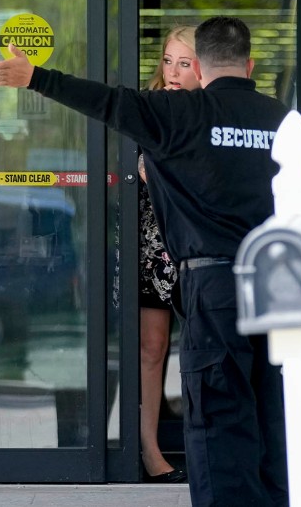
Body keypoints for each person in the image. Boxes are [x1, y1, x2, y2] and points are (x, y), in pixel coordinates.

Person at [0, 16, 289, 507]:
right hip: (275, 284)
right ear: (250, 64)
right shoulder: (281, 119)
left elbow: (106, 102)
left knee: (216, 413)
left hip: (212, 286)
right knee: (268, 409)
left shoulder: (178, 114)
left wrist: (36, 77)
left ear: (202, 66)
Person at [136, 25, 200, 483]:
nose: (174, 72)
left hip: (201, 246)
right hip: (152, 245)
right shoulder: (148, 107)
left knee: (204, 349)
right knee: (152, 348)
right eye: (168, 60)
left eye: (184, 62)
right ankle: (149, 449)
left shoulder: (215, 111)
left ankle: (207, 445)